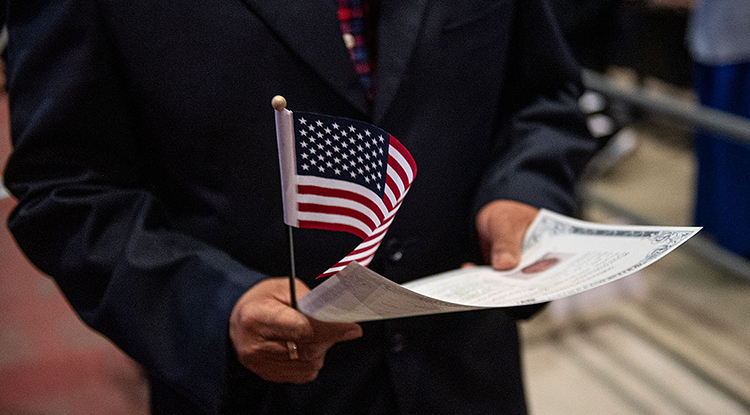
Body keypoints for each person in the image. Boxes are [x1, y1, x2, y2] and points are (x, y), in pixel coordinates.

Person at [2, 0, 598, 414]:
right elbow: (67, 186)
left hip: (466, 372)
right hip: (262, 393)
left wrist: (523, 192)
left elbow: (541, 94)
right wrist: (214, 304)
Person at [686, 0, 750, 258]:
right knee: (716, 144)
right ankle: (722, 230)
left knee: (736, 150)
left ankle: (738, 239)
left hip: (739, 46)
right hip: (715, 38)